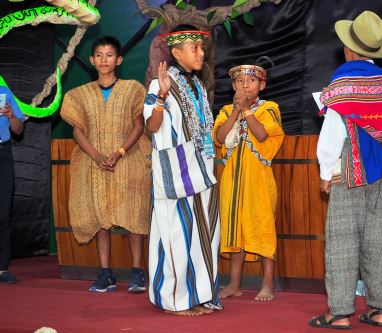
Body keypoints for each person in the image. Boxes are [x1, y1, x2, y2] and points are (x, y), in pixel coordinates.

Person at [309, 11, 382, 329]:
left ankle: (338, 312)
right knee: (375, 239)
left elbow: (334, 130)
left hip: (348, 163)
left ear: (349, 49)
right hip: (376, 162)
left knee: (342, 238)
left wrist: (325, 169)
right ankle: (379, 309)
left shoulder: (344, 81)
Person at [60, 36, 150, 293]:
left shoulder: (133, 89)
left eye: (109, 55)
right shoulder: (78, 95)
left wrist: (119, 152)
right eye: (99, 55)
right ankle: (105, 273)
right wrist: (98, 156)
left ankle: (136, 272)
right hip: (94, 163)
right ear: (91, 60)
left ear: (119, 60)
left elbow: (139, 124)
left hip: (129, 162)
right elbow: (78, 131)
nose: (104, 59)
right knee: (100, 216)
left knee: (133, 215)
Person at [144, 25, 221, 316]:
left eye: (202, 48)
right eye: (194, 48)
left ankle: (199, 295)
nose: (201, 53)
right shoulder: (158, 84)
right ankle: (175, 300)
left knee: (205, 235)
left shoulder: (198, 86)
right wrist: (162, 96)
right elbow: (151, 126)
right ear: (176, 52)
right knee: (176, 235)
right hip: (176, 173)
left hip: (202, 170)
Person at [214, 62, 284, 301]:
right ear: (233, 85)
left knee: (263, 228)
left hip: (259, 183)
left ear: (262, 85)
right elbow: (221, 137)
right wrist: (235, 111)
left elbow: (262, 134)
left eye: (251, 81)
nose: (246, 85)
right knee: (235, 232)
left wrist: (246, 111)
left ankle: (268, 285)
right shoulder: (225, 111)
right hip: (232, 182)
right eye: (240, 81)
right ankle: (234, 284)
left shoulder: (269, 108)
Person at [0, 86, 25, 284]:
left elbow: (18, 130)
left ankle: (2, 268)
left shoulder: (4, 92)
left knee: (2, 213)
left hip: (3, 153)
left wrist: (10, 115)